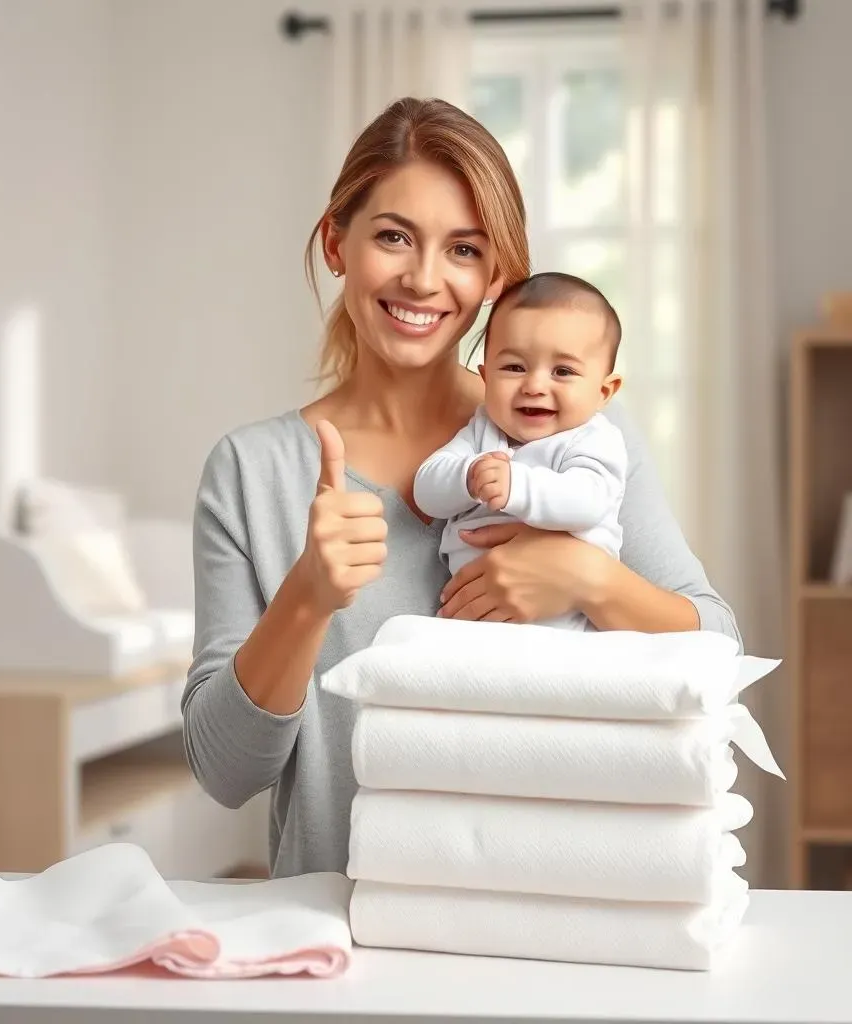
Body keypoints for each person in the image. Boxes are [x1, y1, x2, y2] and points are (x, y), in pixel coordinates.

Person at [182, 97, 740, 880]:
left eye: (464, 249)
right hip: (343, 947)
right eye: (393, 237)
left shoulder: (581, 440)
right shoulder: (252, 472)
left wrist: (586, 576)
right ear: (337, 243)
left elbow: (718, 646)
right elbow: (224, 772)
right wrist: (305, 598)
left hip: (560, 910)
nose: (423, 279)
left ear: (496, 276)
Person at [413, 271, 626, 630]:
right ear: (486, 377)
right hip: (472, 621)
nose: (535, 385)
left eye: (562, 371)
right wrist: (467, 476)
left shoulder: (592, 438)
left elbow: (589, 501)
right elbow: (426, 490)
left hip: (562, 623)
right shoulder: (482, 433)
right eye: (514, 367)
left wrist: (518, 487)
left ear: (604, 391)